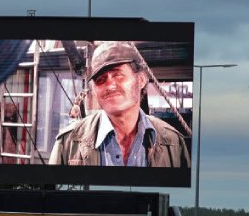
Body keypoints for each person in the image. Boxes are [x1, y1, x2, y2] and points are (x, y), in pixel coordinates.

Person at [48, 41, 191, 167]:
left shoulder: (173, 143)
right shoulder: (68, 143)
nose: (109, 85)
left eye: (118, 75)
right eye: (100, 79)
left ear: (141, 80)